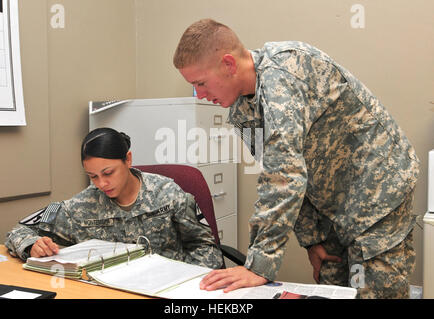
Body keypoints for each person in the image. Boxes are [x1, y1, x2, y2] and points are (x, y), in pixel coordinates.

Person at [173, 18, 419, 298]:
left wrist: (259, 265)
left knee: (374, 290)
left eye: (201, 83)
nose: (201, 95)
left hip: (378, 190)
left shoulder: (284, 72)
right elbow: (282, 170)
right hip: (330, 202)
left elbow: (284, 177)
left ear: (229, 64)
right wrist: (312, 239)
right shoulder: (242, 113)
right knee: (332, 284)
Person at [5, 127, 224, 269]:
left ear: (128, 159)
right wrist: (32, 245)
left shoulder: (168, 193)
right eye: (93, 176)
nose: (101, 184)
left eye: (108, 173)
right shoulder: (81, 206)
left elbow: (205, 247)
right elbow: (19, 230)